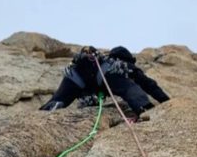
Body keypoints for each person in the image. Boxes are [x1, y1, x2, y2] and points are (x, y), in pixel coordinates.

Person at [39, 46, 168, 116]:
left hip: (75, 77)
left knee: (58, 100)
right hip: (102, 78)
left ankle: (42, 113)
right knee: (128, 87)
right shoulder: (119, 65)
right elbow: (148, 84)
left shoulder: (96, 62)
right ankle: (144, 108)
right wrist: (165, 101)